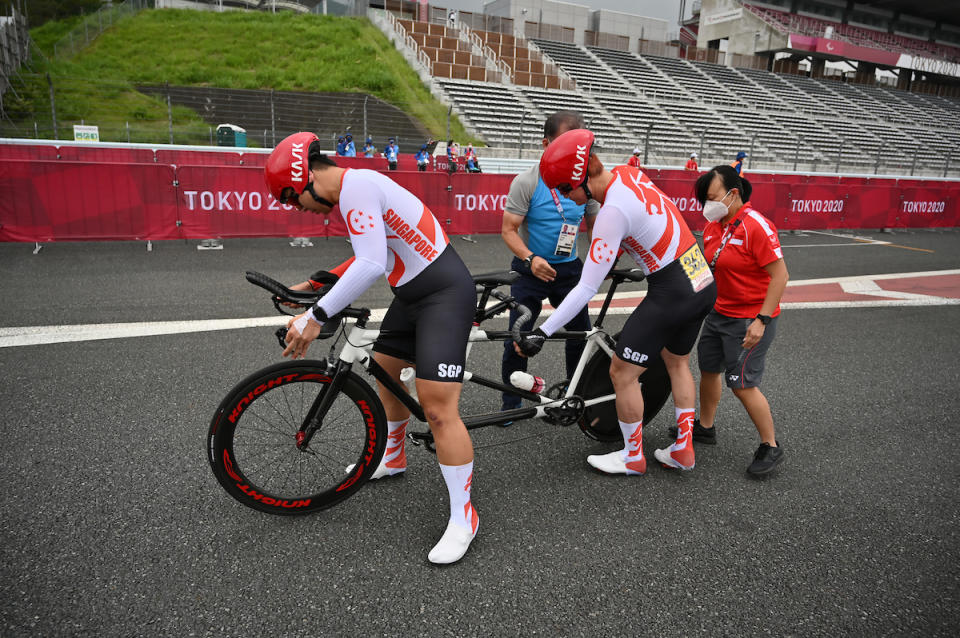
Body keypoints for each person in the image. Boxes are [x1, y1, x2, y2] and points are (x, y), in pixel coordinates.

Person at [264, 132, 479, 564]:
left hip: (445, 294)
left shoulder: (356, 187)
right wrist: (315, 284)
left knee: (437, 408)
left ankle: (464, 517)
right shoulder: (353, 190)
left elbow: (371, 264)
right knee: (384, 371)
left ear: (304, 180)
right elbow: (371, 251)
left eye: (293, 200)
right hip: (411, 295)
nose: (300, 210)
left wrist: (315, 316)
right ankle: (394, 455)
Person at [514, 128, 716, 475]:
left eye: (565, 190)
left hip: (671, 290)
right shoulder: (629, 173)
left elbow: (585, 288)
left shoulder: (610, 213)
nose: (566, 199)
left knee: (622, 372)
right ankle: (683, 449)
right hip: (700, 278)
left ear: (581, 179)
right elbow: (647, 223)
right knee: (677, 362)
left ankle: (632, 456)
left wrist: (542, 332)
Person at [684, 165, 789, 475]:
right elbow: (708, 268)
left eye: (713, 197)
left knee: (742, 384)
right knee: (708, 370)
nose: (707, 205)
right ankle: (705, 427)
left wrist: (762, 320)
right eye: (704, 199)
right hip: (719, 313)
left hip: (748, 319)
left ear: (734, 193)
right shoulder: (716, 225)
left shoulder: (756, 225)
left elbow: (780, 276)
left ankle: (770, 445)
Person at [500, 112, 599, 416]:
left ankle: (574, 395)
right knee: (517, 336)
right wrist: (530, 259)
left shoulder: (586, 183)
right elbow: (508, 230)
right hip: (530, 270)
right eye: (564, 143)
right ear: (546, 144)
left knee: (580, 334)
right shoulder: (527, 181)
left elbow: (596, 228)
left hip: (569, 270)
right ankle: (512, 403)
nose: (574, 153)